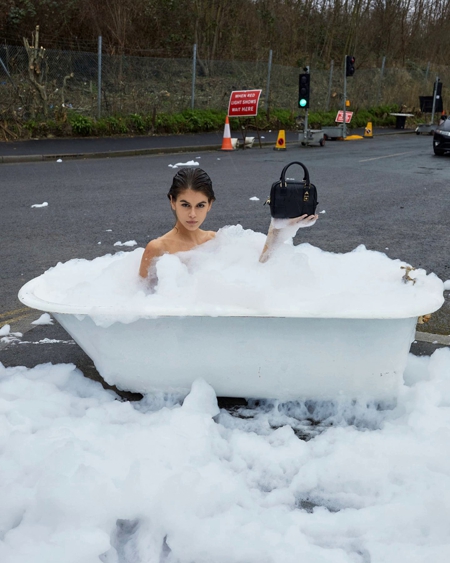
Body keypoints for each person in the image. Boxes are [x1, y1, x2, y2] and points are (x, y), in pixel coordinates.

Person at [139, 167, 318, 279]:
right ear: (172, 202)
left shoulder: (215, 241)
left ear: (210, 204)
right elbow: (141, 299)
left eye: (200, 205)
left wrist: (279, 230)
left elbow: (257, 274)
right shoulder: (157, 248)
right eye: (185, 205)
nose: (192, 214)